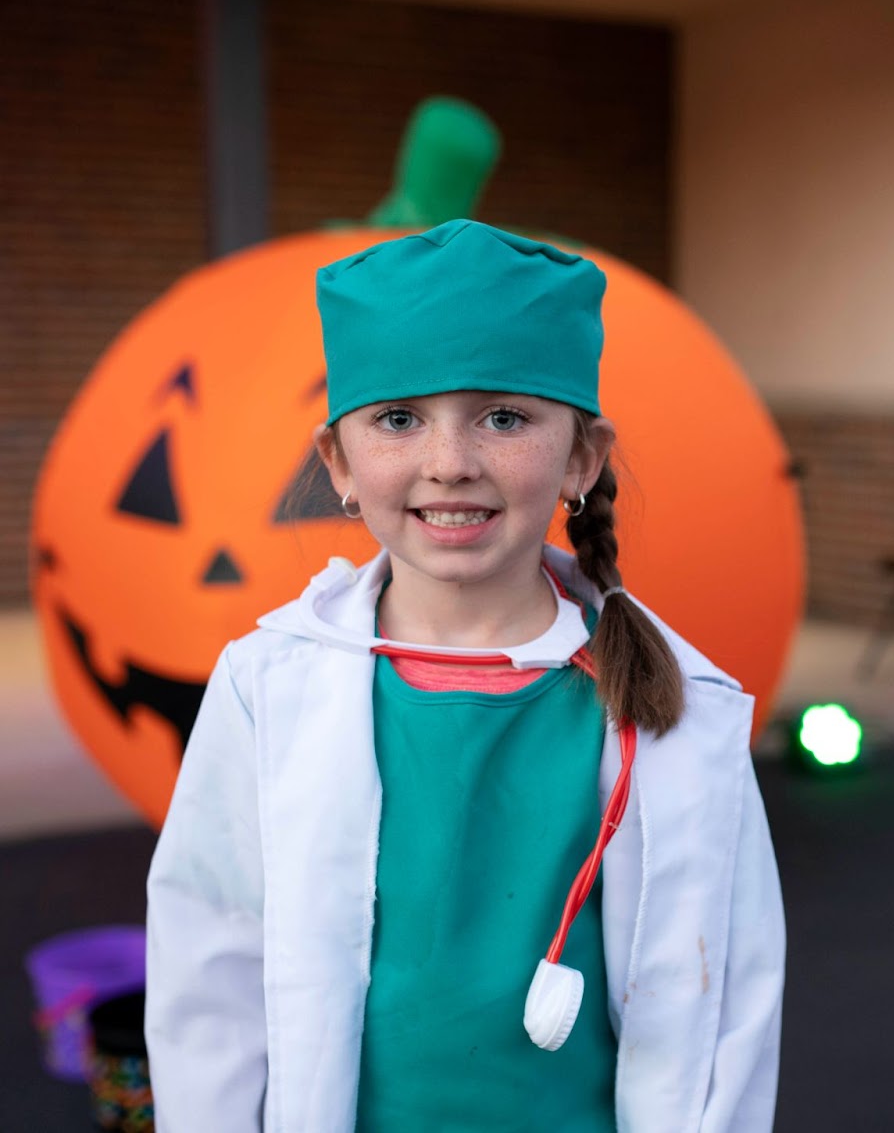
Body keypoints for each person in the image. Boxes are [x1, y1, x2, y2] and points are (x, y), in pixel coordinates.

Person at [144, 219, 786, 1132]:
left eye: (504, 417)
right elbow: (208, 980)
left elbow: (728, 1020)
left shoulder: (681, 711)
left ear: (581, 457)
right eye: (399, 419)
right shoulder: (265, 688)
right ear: (339, 462)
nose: (449, 464)